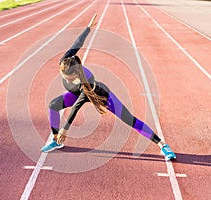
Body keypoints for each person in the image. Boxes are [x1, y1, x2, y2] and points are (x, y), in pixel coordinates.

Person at [41, 14, 176, 160]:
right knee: (53, 105)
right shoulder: (65, 62)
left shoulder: (87, 79)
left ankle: (163, 145)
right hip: (75, 94)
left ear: (75, 74)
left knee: (129, 119)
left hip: (99, 94)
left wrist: (65, 129)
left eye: (68, 78)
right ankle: (56, 141)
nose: (64, 78)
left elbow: (77, 106)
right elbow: (77, 44)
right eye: (62, 75)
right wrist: (88, 28)